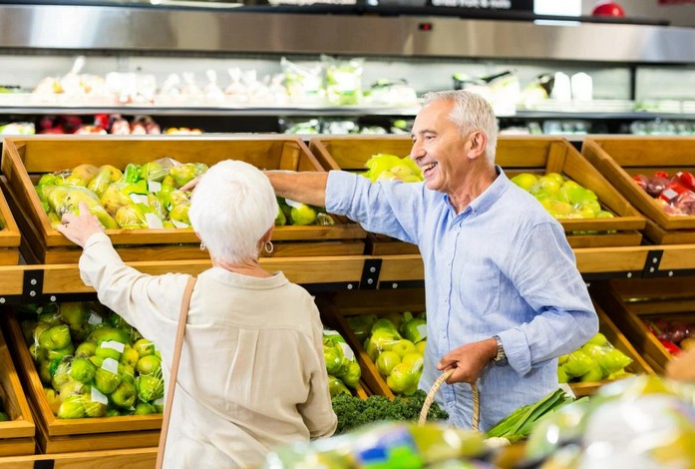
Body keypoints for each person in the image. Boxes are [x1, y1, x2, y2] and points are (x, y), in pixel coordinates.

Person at [260, 90, 599, 430]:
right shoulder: (432, 204)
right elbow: (356, 194)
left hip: (504, 424)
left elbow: (576, 319)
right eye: (414, 138)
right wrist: (263, 180)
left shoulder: (525, 224)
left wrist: (493, 348)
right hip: (439, 408)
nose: (415, 152)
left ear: (474, 144)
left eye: (429, 137)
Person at [57, 160, 337, 468]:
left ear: (199, 230)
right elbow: (320, 419)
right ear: (269, 230)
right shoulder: (300, 305)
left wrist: (94, 238)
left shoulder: (181, 299)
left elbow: (117, 283)